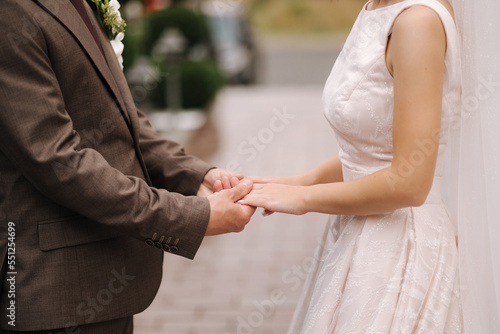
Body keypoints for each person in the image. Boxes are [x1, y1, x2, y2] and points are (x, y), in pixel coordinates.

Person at [0, 0, 254, 332]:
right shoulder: (11, 11)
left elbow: (118, 117)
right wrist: (192, 217)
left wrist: (195, 175)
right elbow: (58, 161)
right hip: (56, 295)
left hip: (104, 281)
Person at [242, 0, 465, 332]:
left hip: (398, 247)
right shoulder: (376, 8)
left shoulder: (417, 22)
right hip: (358, 230)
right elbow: (372, 149)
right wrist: (300, 182)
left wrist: (302, 201)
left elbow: (411, 182)